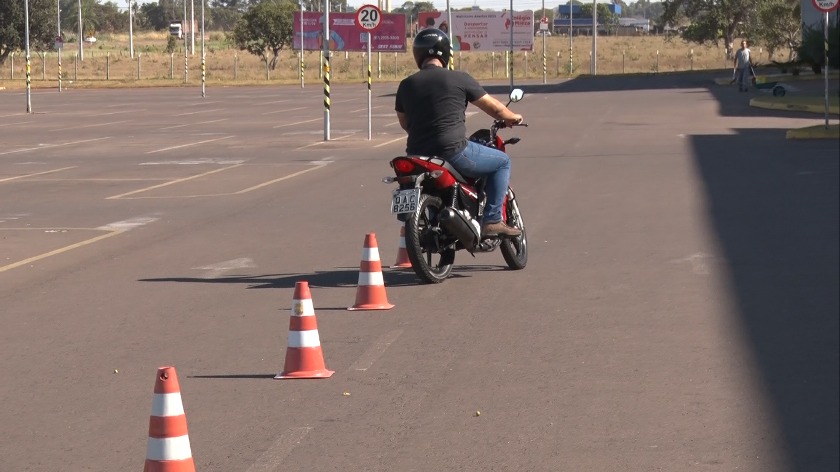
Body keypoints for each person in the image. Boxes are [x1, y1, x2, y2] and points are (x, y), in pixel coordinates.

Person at [394, 28, 523, 238]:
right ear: (445, 53)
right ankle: (492, 220)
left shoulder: (406, 85)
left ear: (418, 55)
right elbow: (494, 108)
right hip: (453, 150)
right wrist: (512, 117)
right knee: (502, 162)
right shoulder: (459, 78)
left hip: (416, 153)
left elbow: (404, 122)